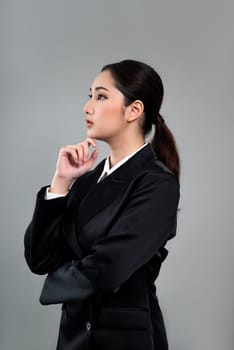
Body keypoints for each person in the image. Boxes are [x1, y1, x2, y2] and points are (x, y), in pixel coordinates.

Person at [24, 59, 181, 350]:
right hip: (74, 340)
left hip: (125, 340)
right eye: (90, 96)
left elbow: (109, 267)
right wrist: (60, 183)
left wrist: (53, 283)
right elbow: (40, 259)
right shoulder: (85, 181)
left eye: (101, 96)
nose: (88, 107)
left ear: (134, 110)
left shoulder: (157, 184)